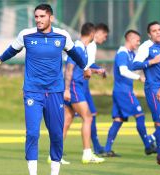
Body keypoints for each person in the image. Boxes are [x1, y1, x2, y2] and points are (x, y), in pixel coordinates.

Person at [0, 4, 90, 175]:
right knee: (33, 133)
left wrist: (85, 67)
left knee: (57, 134)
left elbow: (74, 54)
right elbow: (11, 50)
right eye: (36, 16)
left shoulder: (62, 36)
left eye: (42, 16)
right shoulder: (26, 35)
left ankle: (54, 172)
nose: (38, 20)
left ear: (51, 18)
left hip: (55, 92)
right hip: (32, 92)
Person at [102, 30, 155, 157]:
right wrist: (139, 78)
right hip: (124, 92)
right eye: (137, 40)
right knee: (140, 115)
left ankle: (107, 149)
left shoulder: (131, 54)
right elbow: (123, 71)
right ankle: (148, 146)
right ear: (130, 39)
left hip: (121, 91)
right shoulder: (122, 53)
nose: (138, 43)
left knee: (118, 120)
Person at [132, 21, 160, 167]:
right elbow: (133, 65)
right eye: (154, 31)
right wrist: (151, 62)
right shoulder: (146, 47)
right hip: (154, 89)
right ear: (149, 34)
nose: (158, 32)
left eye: (159, 29)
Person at [63, 22, 105, 164]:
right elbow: (69, 68)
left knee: (67, 121)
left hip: (75, 86)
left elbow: (81, 67)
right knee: (87, 117)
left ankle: (54, 155)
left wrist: (92, 70)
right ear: (92, 33)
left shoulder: (83, 48)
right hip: (74, 87)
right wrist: (67, 89)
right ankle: (87, 153)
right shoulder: (78, 47)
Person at [85, 23, 109, 154]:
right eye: (104, 36)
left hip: (81, 84)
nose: (104, 39)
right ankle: (96, 147)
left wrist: (98, 70)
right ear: (98, 33)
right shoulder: (91, 44)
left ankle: (97, 146)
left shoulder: (88, 44)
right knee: (90, 115)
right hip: (78, 85)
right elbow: (88, 65)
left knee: (69, 116)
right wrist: (100, 69)